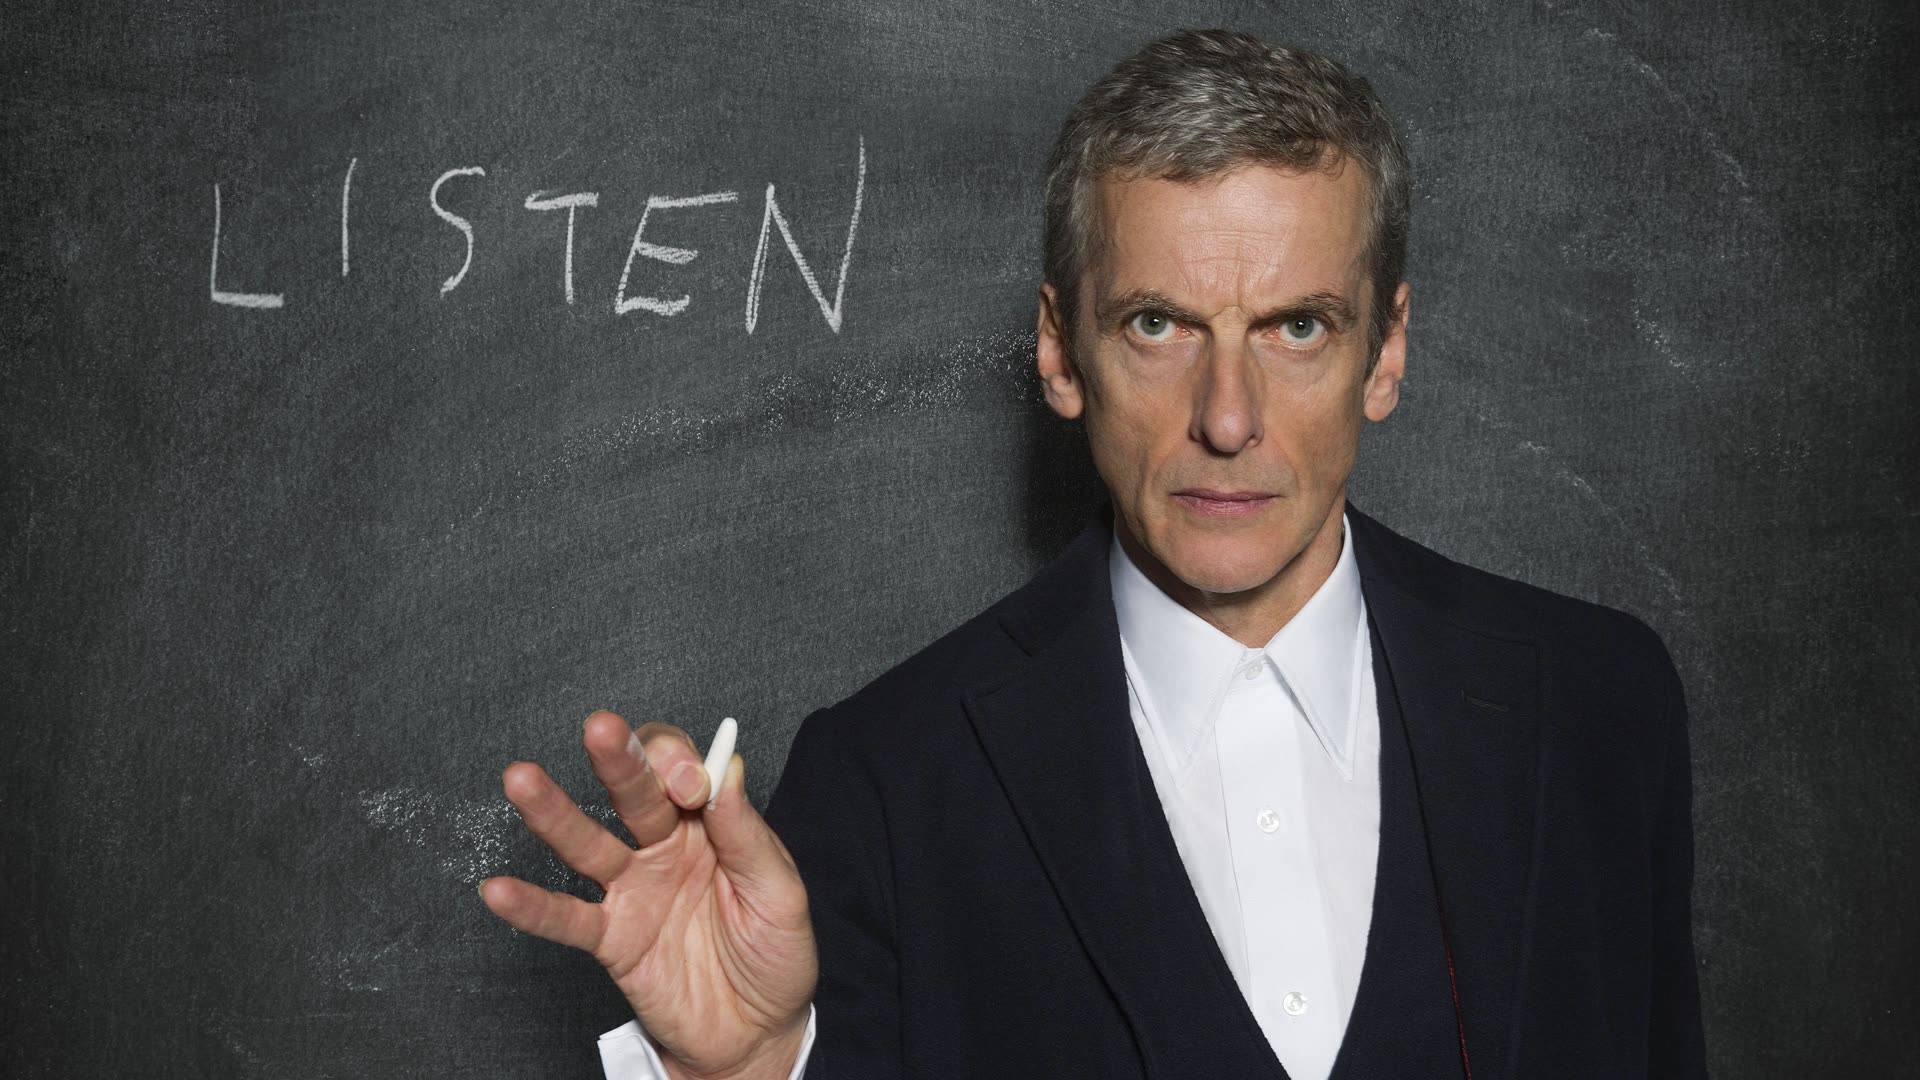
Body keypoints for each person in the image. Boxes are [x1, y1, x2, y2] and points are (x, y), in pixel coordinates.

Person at [480, 28, 1706, 1080]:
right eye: (1158, 324)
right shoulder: (885, 783)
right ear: (1062, 353)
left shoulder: (1600, 703)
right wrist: (750, 1072)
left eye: (1297, 326)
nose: (1228, 417)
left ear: (1384, 353)